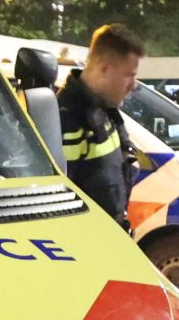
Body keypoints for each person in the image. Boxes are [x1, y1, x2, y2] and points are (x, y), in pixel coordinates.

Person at [58, 24, 143, 227]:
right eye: (129, 75)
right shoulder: (66, 123)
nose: (134, 85)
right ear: (104, 68)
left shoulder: (105, 110)